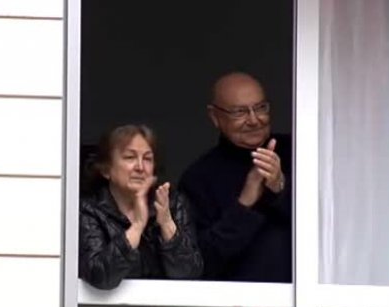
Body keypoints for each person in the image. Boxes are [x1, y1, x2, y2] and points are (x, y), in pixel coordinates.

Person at [179, 72, 292, 283]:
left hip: (306, 303)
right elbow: (199, 262)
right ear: (215, 117)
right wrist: (244, 205)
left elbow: (332, 222)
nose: (254, 120)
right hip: (235, 306)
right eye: (240, 112)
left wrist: (280, 187)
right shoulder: (199, 178)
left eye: (261, 108)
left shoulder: (297, 151)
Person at [80, 124, 203, 290]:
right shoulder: (89, 210)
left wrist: (166, 223)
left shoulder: (172, 203)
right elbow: (100, 276)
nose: (140, 167)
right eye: (130, 157)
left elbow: (189, 274)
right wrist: (137, 226)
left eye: (147, 159)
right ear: (106, 169)